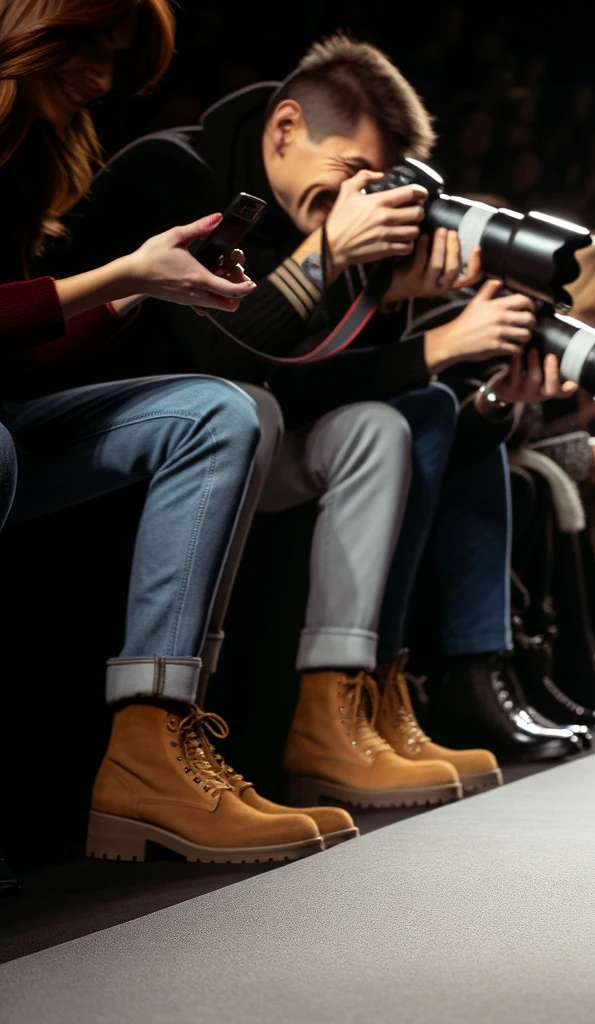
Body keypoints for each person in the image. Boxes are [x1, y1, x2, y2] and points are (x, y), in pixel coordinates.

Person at [46, 34, 539, 806]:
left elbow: (321, 383)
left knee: (379, 426)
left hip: (240, 438)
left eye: (372, 184)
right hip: (126, 430)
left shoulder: (323, 222)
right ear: (284, 128)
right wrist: (328, 258)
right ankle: (162, 736)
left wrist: (397, 298)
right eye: (349, 171)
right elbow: (217, 357)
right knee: (251, 405)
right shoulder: (174, 171)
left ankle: (336, 715)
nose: (357, 197)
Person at [1, 0, 328, 861]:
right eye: (87, 48)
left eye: (111, 58)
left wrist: (140, 290)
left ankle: (155, 745)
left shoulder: (29, 154)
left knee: (220, 412)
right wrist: (120, 271)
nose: (102, 81)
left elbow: (20, 360)